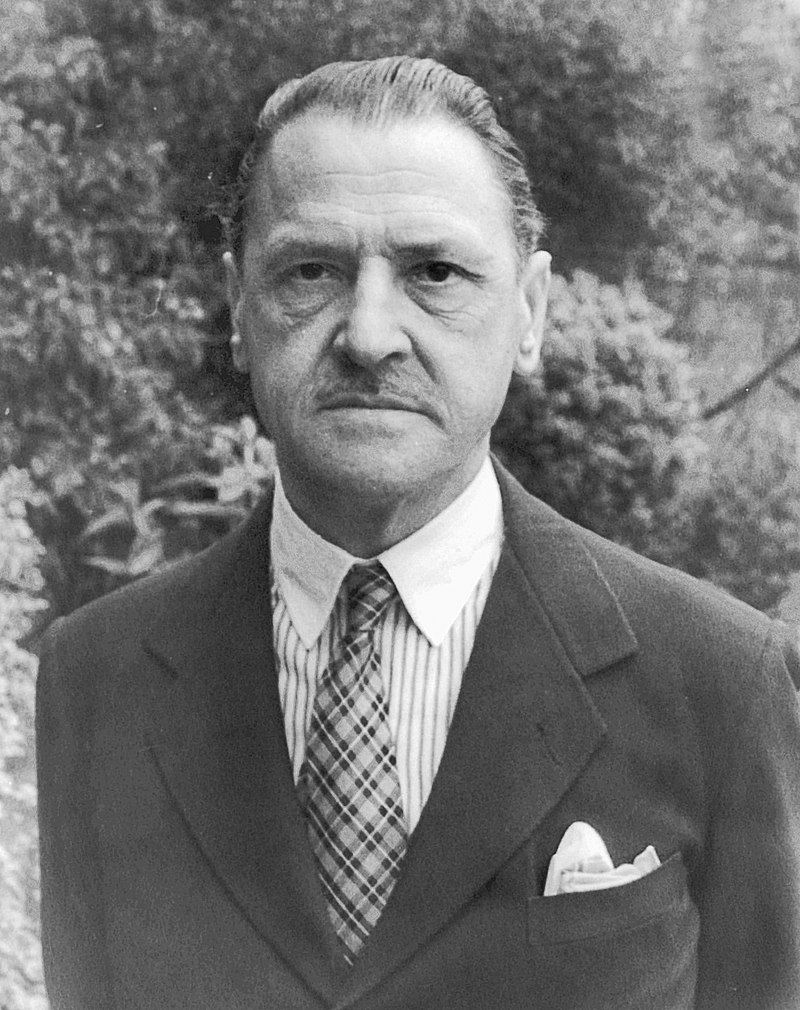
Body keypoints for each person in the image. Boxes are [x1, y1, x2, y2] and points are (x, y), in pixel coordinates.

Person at [36, 56, 800, 1010]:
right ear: (238, 310)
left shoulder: (724, 683)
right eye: (311, 272)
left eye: (435, 272)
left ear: (528, 313)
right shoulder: (95, 681)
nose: (369, 335)